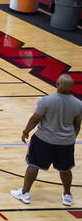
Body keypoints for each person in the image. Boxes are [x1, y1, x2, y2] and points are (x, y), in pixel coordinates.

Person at [10, 75, 81, 206]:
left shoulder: (46, 100)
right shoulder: (78, 104)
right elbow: (77, 125)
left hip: (44, 139)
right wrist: (70, 138)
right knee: (65, 169)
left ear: (57, 83)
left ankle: (25, 194)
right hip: (66, 143)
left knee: (33, 165)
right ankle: (67, 195)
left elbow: (35, 119)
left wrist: (26, 131)